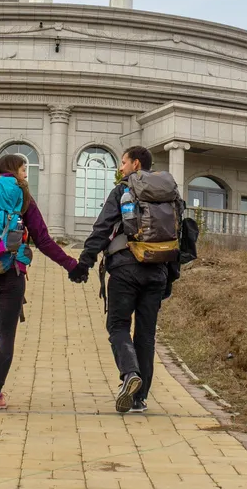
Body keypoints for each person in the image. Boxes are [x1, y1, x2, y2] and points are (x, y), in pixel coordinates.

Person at [0, 152, 78, 410]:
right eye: (25, 170)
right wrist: (71, 264)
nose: (26, 175)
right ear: (15, 170)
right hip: (11, 272)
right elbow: (43, 240)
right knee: (6, 336)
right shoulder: (23, 197)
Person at [68, 145, 182, 413]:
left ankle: (130, 373)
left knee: (118, 326)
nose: (120, 168)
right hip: (157, 271)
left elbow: (103, 226)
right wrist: (169, 279)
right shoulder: (171, 195)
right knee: (146, 336)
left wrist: (84, 263)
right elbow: (182, 237)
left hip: (124, 268)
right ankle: (140, 399)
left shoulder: (123, 190)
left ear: (137, 165)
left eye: (123, 162)